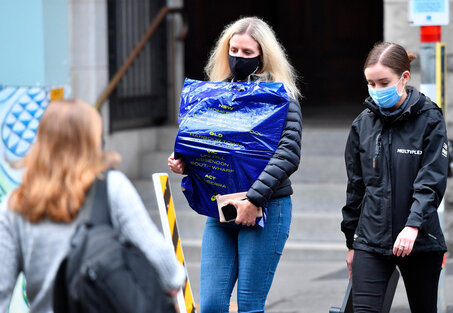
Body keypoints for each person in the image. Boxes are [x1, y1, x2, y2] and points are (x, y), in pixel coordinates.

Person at [0, 99, 185, 312]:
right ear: (92, 143)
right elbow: (162, 262)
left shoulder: (15, 207)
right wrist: (174, 279)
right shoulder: (111, 187)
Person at [168, 17, 302, 312]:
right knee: (213, 305)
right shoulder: (214, 95)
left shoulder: (282, 97)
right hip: (222, 208)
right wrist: (186, 162)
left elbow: (288, 154)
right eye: (234, 50)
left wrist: (254, 199)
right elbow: (212, 148)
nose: (238, 57)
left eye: (247, 53)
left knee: (249, 305)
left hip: (266, 207)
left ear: (263, 57)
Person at [341, 42, 448, 313]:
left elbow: (432, 179)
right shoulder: (362, 124)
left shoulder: (430, 118)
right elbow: (355, 188)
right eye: (371, 83)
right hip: (370, 242)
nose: (377, 90)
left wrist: (413, 226)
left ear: (404, 78)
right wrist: (351, 242)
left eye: (383, 82)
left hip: (420, 240)